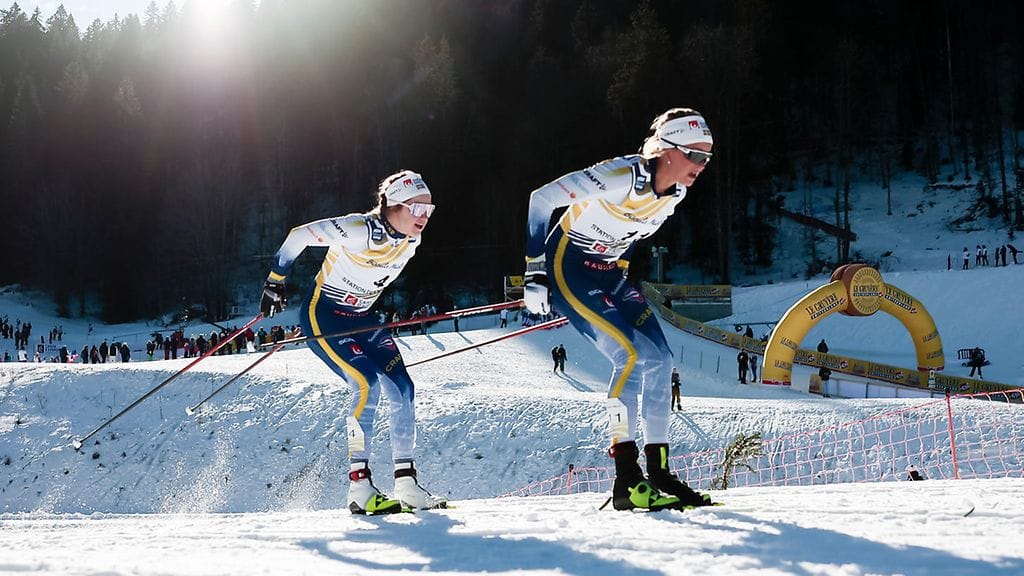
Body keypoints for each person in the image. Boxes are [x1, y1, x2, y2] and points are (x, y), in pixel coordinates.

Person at [522, 107, 715, 512]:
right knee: (629, 356)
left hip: (608, 272)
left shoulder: (675, 194)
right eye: (696, 155)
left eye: (707, 158)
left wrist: (617, 271)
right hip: (568, 266)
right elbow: (542, 201)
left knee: (660, 359)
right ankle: (626, 480)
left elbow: (629, 232)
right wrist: (535, 272)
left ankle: (659, 473)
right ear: (668, 151)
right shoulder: (621, 175)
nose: (702, 165)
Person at [260, 169, 445, 515]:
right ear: (392, 205)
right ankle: (359, 486)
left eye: (428, 209)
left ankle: (406, 483)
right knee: (366, 384)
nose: (424, 217)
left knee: (403, 389)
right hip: (324, 314)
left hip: (363, 318)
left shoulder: (412, 240)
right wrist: (276, 280)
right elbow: (299, 235)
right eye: (416, 208)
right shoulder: (361, 229)